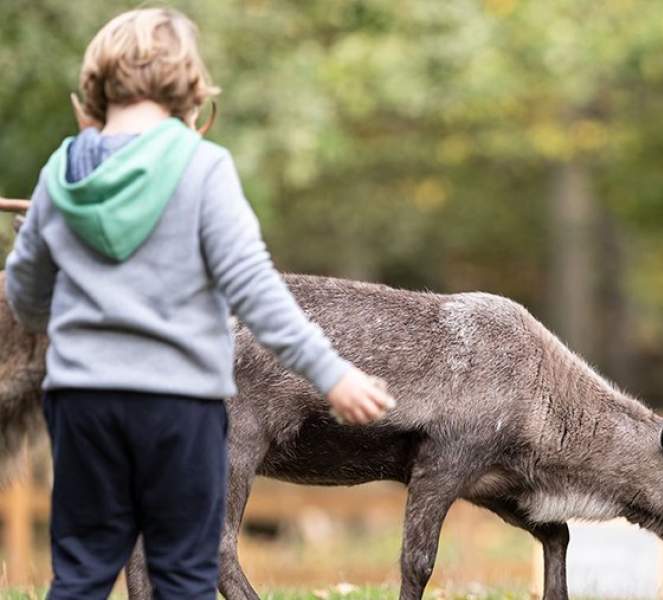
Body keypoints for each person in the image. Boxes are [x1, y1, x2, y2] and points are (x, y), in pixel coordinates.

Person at [3, 8, 395, 599]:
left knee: (82, 570)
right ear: (191, 91)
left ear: (94, 89)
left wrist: (56, 315)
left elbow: (25, 293)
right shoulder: (203, 168)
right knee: (184, 570)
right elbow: (256, 291)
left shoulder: (61, 175)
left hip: (83, 404)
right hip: (179, 407)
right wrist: (330, 372)